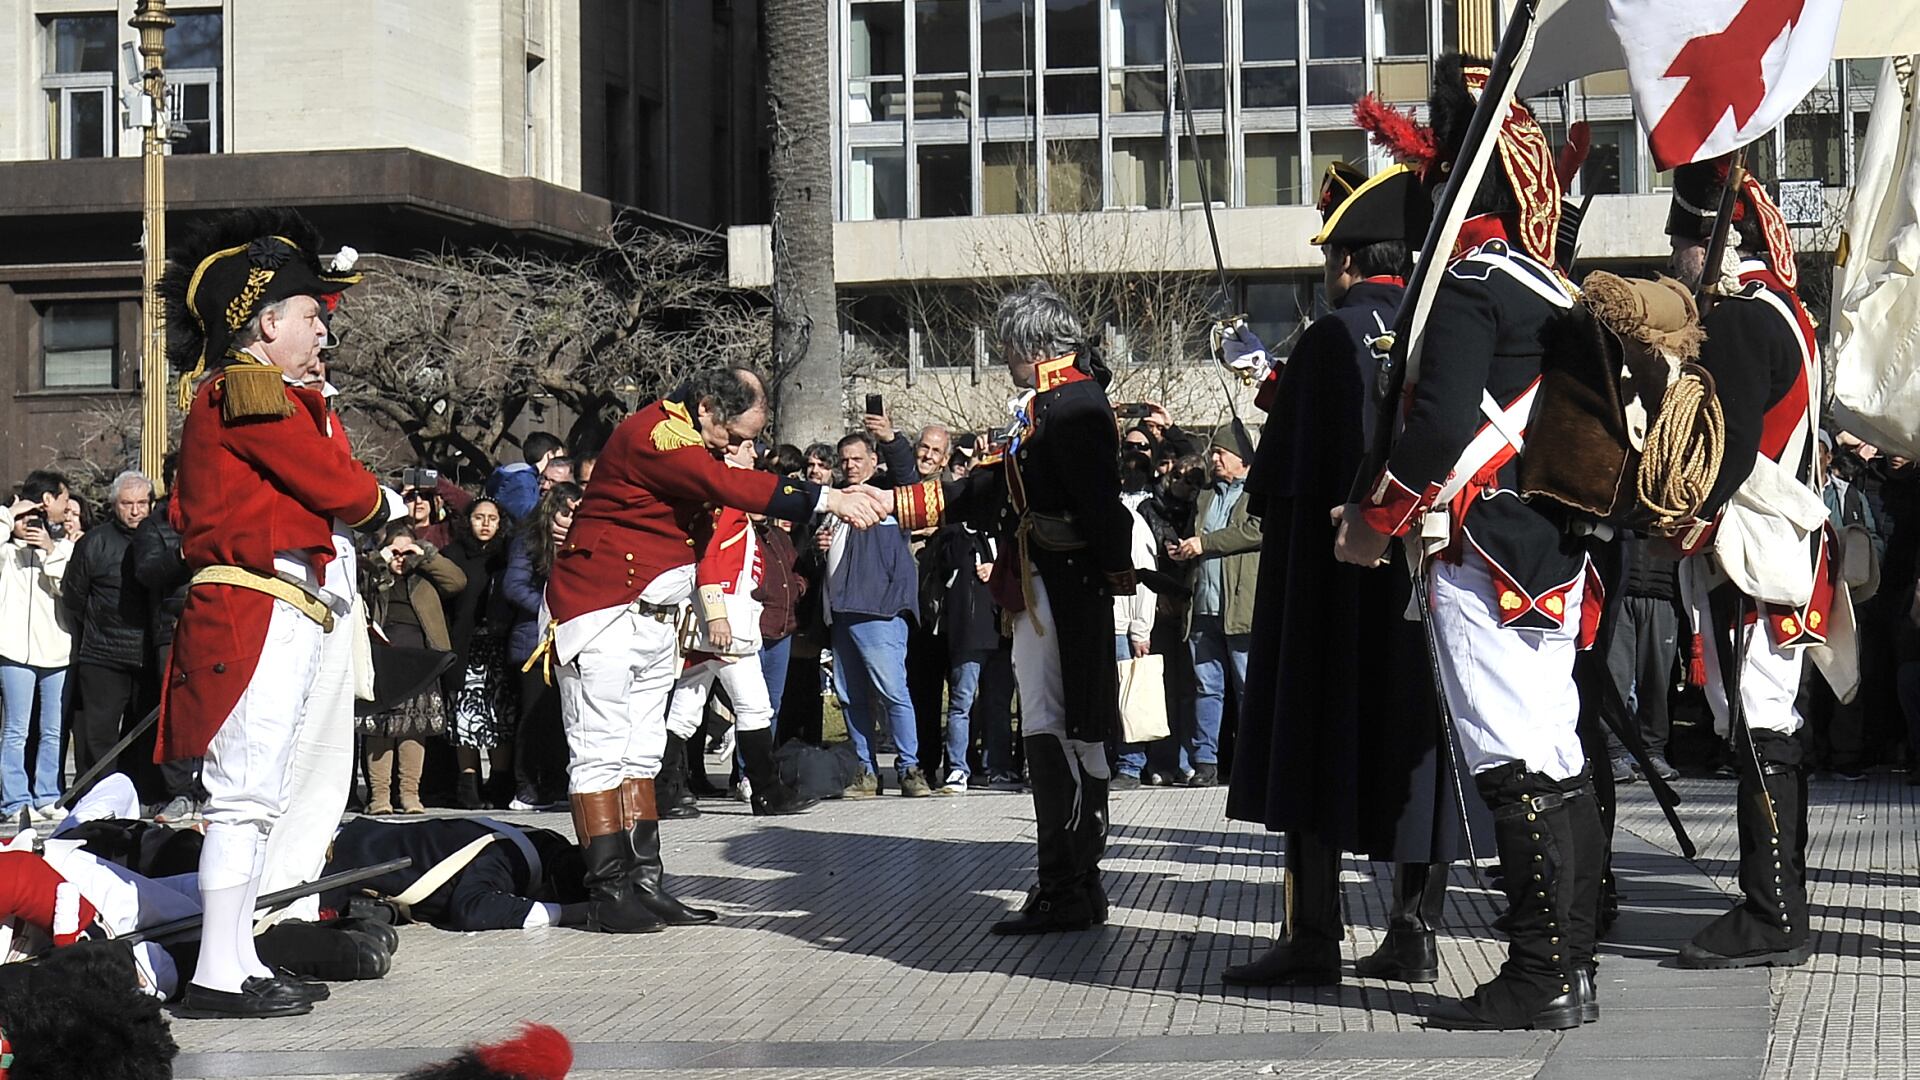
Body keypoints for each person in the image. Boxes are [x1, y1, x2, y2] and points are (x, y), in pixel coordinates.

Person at [1333, 57, 1603, 1030]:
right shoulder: (1551, 287)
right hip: (1548, 553)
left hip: (1482, 552)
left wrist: (1370, 524)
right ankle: (1569, 965)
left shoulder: (1473, 285)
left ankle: (1541, 976)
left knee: (1510, 760)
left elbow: (1439, 427)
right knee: (1553, 755)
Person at [1219, 159, 1487, 988]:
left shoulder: (1331, 333)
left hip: (1327, 590)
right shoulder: (1438, 329)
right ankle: (1412, 931)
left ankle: (1313, 936)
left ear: (1345, 261)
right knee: (1414, 748)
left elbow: (1282, 482)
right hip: (1410, 583)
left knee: (1313, 747)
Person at [154, 207, 397, 1019]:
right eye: (306, 316)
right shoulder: (246, 389)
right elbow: (340, 488)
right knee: (244, 799)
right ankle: (219, 976)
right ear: (264, 324)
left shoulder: (279, 393)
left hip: (280, 605)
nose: (321, 332)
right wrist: (386, 501)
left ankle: (237, 958)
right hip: (250, 607)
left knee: (262, 799)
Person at [539, 366, 886, 934]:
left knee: (643, 753)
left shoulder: (694, 437)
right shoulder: (656, 432)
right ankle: (607, 892)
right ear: (705, 407)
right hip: (602, 613)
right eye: (738, 434)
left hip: (654, 618)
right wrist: (828, 498)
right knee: (599, 751)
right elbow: (722, 486)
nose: (742, 447)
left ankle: (644, 882)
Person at [893, 281, 1137, 934]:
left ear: (1028, 344)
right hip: (1043, 581)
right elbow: (999, 485)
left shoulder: (1073, 403)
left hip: (1065, 582)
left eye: (1004, 343)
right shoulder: (1053, 403)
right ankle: (1067, 884)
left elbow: (1097, 502)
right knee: (1051, 724)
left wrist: (1113, 571)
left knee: (1070, 728)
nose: (1001, 354)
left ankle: (1070, 886)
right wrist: (910, 504)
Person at [1665, 155, 1835, 971]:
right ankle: (1781, 902)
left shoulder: (1738, 318)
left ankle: (1771, 911)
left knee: (1759, 725)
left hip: (1752, 548)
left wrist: (1678, 517)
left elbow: (1722, 454)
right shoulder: (1790, 311)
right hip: (1789, 545)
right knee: (1774, 722)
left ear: (1715, 241)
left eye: (1683, 246)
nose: (1677, 263)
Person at [661, 440, 818, 817]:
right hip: (725, 626)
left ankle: (662, 790)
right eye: (748, 448)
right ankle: (767, 791)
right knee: (754, 706)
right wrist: (715, 615)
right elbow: (708, 557)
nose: (754, 454)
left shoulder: (729, 506)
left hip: (716, 624)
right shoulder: (726, 504)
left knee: (685, 708)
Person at [820, 426, 927, 797]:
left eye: (858, 459)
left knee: (893, 691)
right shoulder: (836, 502)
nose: (850, 466)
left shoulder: (888, 497)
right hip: (841, 611)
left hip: (879, 611)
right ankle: (865, 771)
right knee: (850, 697)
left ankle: (910, 768)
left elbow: (909, 478)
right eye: (845, 460)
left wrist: (891, 439)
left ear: (873, 461)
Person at [1166, 423, 1261, 787]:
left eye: (1222, 452)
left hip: (1240, 607)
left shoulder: (1256, 493)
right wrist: (1183, 552)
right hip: (1204, 605)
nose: (1215, 459)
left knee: (1247, 686)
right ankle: (1205, 761)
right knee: (1207, 688)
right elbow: (1199, 539)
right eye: (1214, 452)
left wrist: (1204, 544)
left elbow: (1256, 531)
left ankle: (1253, 761)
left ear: (1243, 458)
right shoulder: (1205, 496)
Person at [320, 816, 591, 931]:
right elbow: (472, 909)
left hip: (357, 842)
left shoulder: (546, 841)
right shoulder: (509, 859)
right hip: (333, 862)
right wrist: (571, 914)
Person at [360, 522, 467, 814]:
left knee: (413, 729)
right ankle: (380, 796)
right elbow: (357, 579)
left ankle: (410, 795)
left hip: (421, 661)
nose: (400, 558)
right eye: (396, 551)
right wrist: (381, 559)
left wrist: (424, 556)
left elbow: (457, 582)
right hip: (383, 657)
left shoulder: (424, 578)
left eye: (406, 551)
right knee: (380, 729)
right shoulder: (376, 577)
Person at [62, 470, 154, 803]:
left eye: (142, 503)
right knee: (98, 735)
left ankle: (137, 796)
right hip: (103, 653)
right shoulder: (95, 542)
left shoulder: (161, 537)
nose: (135, 511)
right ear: (114, 504)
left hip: (148, 652)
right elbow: (74, 596)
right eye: (127, 504)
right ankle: (95, 798)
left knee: (142, 732)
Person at [0, 470, 76, 822]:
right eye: (24, 518)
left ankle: (48, 793)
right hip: (14, 650)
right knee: (15, 728)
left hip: (57, 649)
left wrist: (49, 550)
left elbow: (68, 589)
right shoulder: (6, 553)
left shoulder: (63, 548)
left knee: (52, 729)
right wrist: (9, 516)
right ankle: (15, 800)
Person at [501, 485, 581, 811]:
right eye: (565, 512)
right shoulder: (529, 541)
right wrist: (552, 610)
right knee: (534, 717)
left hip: (573, 639)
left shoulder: (582, 542)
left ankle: (558, 782)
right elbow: (514, 585)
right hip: (535, 641)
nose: (571, 518)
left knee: (567, 715)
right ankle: (528, 786)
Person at [131, 457, 203, 823]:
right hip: (172, 625)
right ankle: (179, 791)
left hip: (214, 624)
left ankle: (209, 787)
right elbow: (146, 571)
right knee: (176, 714)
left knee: (214, 711)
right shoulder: (155, 526)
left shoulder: (218, 513)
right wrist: (181, 553)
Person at [444, 497, 514, 809]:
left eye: (492, 518)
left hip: (499, 647)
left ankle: (499, 782)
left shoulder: (507, 556)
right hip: (465, 646)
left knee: (499, 716)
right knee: (465, 719)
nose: (485, 524)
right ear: (467, 521)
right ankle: (468, 786)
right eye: (478, 518)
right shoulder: (454, 556)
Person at [486, 432, 564, 522]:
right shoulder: (523, 481)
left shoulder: (518, 476)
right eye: (559, 459)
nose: (562, 465)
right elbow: (528, 519)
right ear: (550, 455)